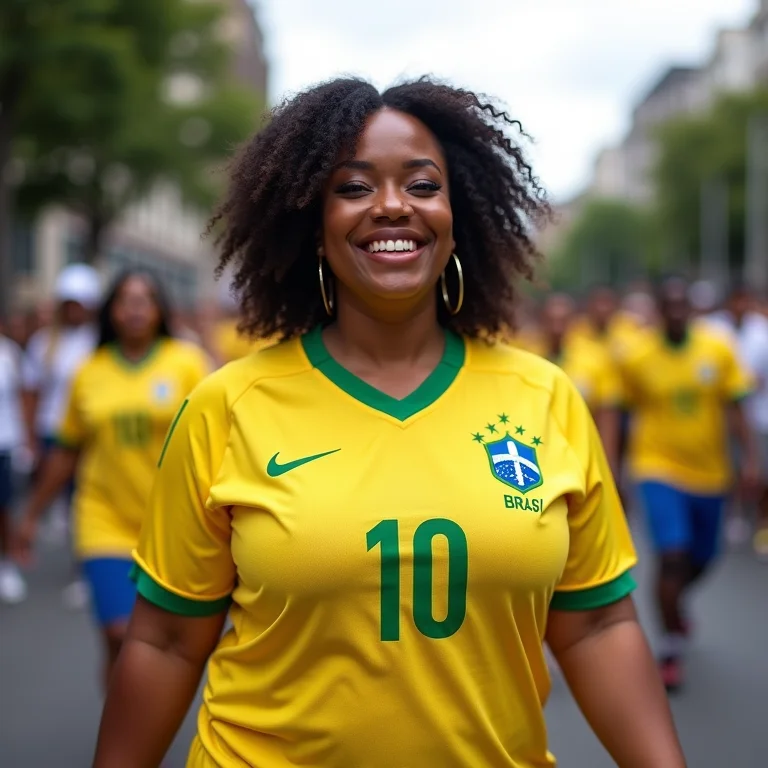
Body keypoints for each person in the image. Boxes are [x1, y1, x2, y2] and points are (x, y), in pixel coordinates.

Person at [94, 78, 685, 768]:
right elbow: (165, 640)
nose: (393, 206)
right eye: (352, 188)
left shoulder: (544, 398)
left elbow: (594, 624)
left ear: (459, 215)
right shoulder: (227, 407)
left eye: (423, 185)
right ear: (311, 225)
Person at [13, 269, 209, 686]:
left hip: (171, 523)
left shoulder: (187, 364)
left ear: (160, 309)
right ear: (111, 311)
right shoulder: (90, 371)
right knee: (119, 633)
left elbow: (215, 440)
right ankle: (122, 728)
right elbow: (66, 451)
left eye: (145, 300)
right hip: (104, 518)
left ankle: (137, 726)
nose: (135, 309)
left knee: (165, 643)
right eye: (125, 300)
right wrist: (30, 515)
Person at [619, 276, 759, 691]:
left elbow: (736, 406)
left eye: (684, 306)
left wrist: (750, 460)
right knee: (672, 554)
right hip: (656, 467)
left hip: (711, 473)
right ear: (660, 311)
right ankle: (670, 645)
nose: (678, 313)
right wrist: (617, 470)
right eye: (671, 306)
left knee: (704, 557)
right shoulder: (638, 356)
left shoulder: (716, 349)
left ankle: (674, 601)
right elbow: (624, 415)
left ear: (692, 312)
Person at [21, 263, 101, 606]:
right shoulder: (44, 343)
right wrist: (31, 439)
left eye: (81, 302)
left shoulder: (100, 341)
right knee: (68, 502)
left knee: (83, 499)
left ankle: (86, 568)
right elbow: (32, 392)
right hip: (55, 432)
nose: (75, 309)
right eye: (70, 302)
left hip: (89, 433)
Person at [706, 283, 768, 558]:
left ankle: (762, 524)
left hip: (758, 416)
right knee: (729, 468)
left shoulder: (761, 333)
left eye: (746, 301)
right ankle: (733, 515)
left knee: (759, 473)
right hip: (722, 417)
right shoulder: (713, 332)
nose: (742, 306)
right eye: (737, 300)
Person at [539, 293, 622, 476]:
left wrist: (609, 466)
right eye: (551, 321)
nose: (556, 329)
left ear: (573, 323)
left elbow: (607, 416)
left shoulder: (595, 359)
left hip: (581, 456)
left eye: (562, 321)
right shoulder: (530, 359)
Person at [0, 325, 26, 603]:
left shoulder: (8, 353)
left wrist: (24, 441)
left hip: (3, 443)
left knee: (3, 509)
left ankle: (6, 565)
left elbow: (22, 397)